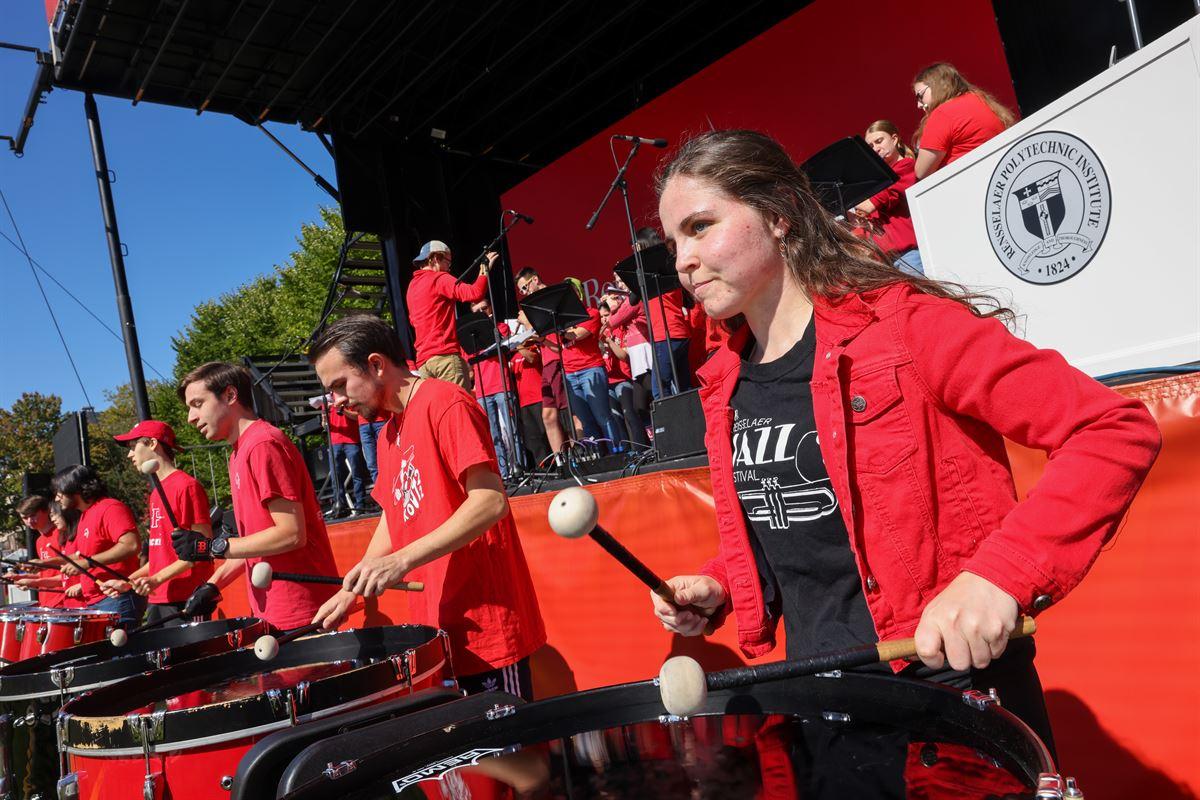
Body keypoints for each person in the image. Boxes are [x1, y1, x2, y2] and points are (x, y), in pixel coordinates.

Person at [649, 130, 1160, 775]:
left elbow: (1111, 430)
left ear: (778, 214)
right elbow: (805, 516)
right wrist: (720, 582)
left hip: (944, 701)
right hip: (821, 705)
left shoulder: (907, 327)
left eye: (700, 226)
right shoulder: (724, 380)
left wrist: (1000, 576)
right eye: (674, 243)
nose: (684, 261)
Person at [307, 314, 546, 688]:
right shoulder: (387, 435)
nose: (336, 401)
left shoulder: (445, 401)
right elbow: (395, 518)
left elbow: (489, 502)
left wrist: (400, 561)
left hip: (487, 628)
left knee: (509, 749)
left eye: (340, 385)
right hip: (437, 633)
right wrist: (348, 592)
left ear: (375, 365)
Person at [175, 361, 340, 629]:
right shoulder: (239, 452)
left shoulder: (263, 444)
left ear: (230, 395)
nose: (190, 418)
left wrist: (211, 547)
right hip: (274, 613)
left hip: (303, 611)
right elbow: (255, 543)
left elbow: (291, 534)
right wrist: (212, 586)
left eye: (197, 404)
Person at [97, 420, 215, 626]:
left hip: (186, 599)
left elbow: (202, 550)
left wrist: (156, 579)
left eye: (134, 447)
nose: (129, 454)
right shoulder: (156, 493)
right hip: (158, 598)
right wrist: (127, 582)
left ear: (152, 444)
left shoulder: (186, 486)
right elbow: (162, 558)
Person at [51, 465, 144, 626]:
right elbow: (83, 555)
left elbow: (131, 545)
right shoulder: (85, 515)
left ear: (73, 487)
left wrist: (87, 563)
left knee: (124, 651)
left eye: (60, 492)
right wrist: (45, 564)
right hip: (98, 600)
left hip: (116, 599)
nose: (57, 499)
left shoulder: (110, 507)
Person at [406, 240, 495, 389]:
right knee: (461, 408)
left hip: (423, 363)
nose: (448, 268)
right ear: (435, 258)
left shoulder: (412, 287)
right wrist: (484, 271)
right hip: (444, 358)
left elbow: (413, 320)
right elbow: (475, 294)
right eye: (448, 262)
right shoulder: (439, 278)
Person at [912, 62, 1015, 178]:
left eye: (920, 96)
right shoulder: (980, 99)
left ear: (936, 86)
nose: (918, 105)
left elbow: (921, 172)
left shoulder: (942, 114)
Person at [850, 120, 923, 275]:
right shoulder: (879, 180)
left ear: (894, 139)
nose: (875, 149)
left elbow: (870, 205)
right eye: (870, 146)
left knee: (925, 296)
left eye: (879, 141)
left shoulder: (906, 166)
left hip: (908, 255)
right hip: (886, 259)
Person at [558, 278, 623, 452]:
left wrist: (561, 330)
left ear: (578, 293)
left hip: (591, 370)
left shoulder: (591, 313)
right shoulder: (560, 321)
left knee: (603, 416)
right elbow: (553, 344)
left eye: (570, 293)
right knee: (585, 421)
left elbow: (578, 335)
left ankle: (617, 452)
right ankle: (599, 458)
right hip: (570, 375)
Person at [515, 267, 570, 454]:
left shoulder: (550, 298)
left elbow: (542, 329)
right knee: (548, 415)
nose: (524, 293)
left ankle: (579, 453)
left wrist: (526, 323)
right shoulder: (533, 305)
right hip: (546, 361)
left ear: (535, 280)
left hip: (556, 357)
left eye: (524, 288)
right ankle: (561, 460)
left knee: (566, 411)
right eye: (521, 291)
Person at [599, 301, 649, 448]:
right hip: (608, 381)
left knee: (630, 415)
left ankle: (641, 448)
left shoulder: (621, 329)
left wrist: (608, 341)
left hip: (623, 379)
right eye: (601, 316)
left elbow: (624, 356)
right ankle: (626, 451)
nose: (604, 319)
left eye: (606, 315)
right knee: (615, 418)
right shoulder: (600, 333)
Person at [13, 495, 66, 608]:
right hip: (46, 601)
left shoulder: (60, 533)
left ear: (46, 511)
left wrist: (34, 582)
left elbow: (68, 574)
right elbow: (46, 574)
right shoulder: (39, 541)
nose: (29, 521)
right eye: (25, 518)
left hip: (63, 601)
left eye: (32, 515)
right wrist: (23, 578)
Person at [323, 402, 371, 514]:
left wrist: (343, 410)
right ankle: (340, 506)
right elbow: (324, 425)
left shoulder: (348, 399)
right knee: (336, 476)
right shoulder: (326, 402)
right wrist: (325, 418)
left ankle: (360, 504)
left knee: (357, 474)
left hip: (352, 440)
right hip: (335, 442)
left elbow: (357, 416)